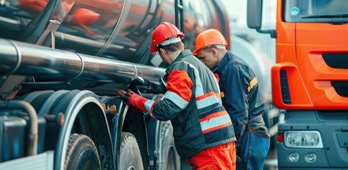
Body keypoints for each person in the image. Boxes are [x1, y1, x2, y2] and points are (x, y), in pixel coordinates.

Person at [116, 22, 237, 169]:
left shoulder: (181, 68)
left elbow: (166, 110)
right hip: (221, 141)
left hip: (207, 145)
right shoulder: (201, 67)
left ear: (163, 52)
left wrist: (136, 100)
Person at [193, 29, 270, 170]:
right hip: (250, 135)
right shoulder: (228, 68)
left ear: (214, 51)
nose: (203, 63)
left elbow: (238, 112)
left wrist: (230, 143)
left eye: (203, 58)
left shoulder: (233, 69)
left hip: (248, 136)